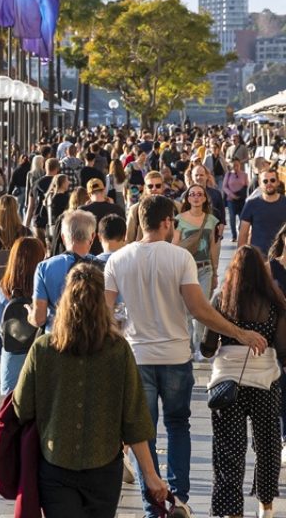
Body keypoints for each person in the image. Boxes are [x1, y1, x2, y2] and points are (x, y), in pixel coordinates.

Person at [105, 195, 269, 516]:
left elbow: (105, 314)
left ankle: (155, 506)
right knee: (179, 425)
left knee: (142, 433)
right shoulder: (180, 259)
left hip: (137, 358)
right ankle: (178, 497)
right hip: (176, 354)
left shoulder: (117, 260)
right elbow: (198, 309)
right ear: (167, 222)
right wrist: (239, 333)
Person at [14, 265, 168, 517]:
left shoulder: (43, 349)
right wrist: (150, 475)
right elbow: (135, 419)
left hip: (56, 463)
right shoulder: (118, 350)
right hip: (104, 467)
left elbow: (22, 407)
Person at [200, 245, 286, 518]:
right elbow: (283, 350)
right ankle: (266, 506)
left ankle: (231, 512)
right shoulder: (275, 303)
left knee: (229, 450)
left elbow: (207, 347)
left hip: (228, 384)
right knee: (268, 445)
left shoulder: (222, 300)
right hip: (265, 382)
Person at [30, 211, 99, 331]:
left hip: (57, 338)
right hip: (93, 339)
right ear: (92, 237)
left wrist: (30, 315)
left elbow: (39, 319)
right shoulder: (103, 267)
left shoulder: (44, 268)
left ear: (62, 237)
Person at [175, 184, 220, 361]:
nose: (195, 197)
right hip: (186, 269)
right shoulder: (178, 219)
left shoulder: (211, 220)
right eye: (192, 194)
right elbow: (174, 245)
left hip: (205, 268)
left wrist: (215, 271)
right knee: (186, 310)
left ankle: (199, 348)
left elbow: (213, 247)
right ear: (187, 198)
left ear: (204, 198)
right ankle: (188, 347)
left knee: (202, 309)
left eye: (199, 194)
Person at [0, 237, 45, 395]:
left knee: (12, 408)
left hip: (13, 357)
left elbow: (0, 324)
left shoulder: (2, 289)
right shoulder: (43, 289)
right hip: (40, 355)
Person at [240, 166, 286, 255]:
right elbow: (243, 234)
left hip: (282, 258)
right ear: (260, 184)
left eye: (272, 180)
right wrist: (241, 258)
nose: (269, 183)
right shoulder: (251, 204)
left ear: (278, 182)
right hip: (258, 258)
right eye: (265, 181)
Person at [81, 178, 124, 255]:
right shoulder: (117, 209)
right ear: (104, 191)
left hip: (91, 256)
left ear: (89, 194)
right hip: (114, 254)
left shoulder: (82, 211)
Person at [223, 159, 249, 242]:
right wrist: (232, 195)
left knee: (242, 218)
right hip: (231, 200)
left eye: (237, 165)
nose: (235, 167)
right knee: (232, 218)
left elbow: (246, 186)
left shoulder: (244, 174)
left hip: (241, 200)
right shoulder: (228, 174)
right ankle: (234, 235)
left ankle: (240, 231)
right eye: (234, 165)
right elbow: (224, 187)